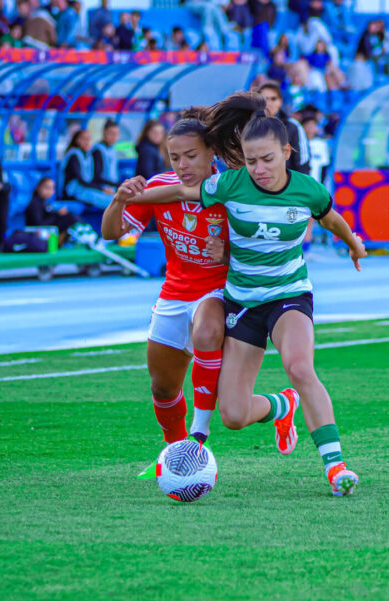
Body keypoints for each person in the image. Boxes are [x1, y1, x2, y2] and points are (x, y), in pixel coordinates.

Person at [121, 93, 368, 497]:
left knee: (300, 366)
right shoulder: (231, 183)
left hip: (288, 296)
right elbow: (180, 194)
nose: (259, 169)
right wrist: (129, 197)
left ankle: (336, 465)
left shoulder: (308, 190)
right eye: (251, 161)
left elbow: (332, 219)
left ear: (286, 152)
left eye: (267, 160)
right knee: (233, 415)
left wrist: (354, 245)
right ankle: (281, 406)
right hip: (243, 303)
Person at [100, 108, 234, 458]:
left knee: (206, 331)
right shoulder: (160, 187)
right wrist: (119, 199)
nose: (182, 164)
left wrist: (226, 254)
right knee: (162, 388)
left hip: (218, 291)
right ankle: (176, 455)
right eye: (175, 157)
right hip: (174, 293)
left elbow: (259, 255)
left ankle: (198, 438)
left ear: (212, 153)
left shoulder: (231, 191)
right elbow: (111, 233)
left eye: (191, 155)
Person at [256, 81, 310, 176]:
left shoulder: (293, 126)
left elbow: (302, 163)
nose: (269, 103)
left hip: (286, 186)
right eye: (265, 99)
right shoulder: (247, 126)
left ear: (280, 101)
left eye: (273, 99)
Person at [61, 128, 114, 209]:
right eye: (84, 139)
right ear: (77, 140)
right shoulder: (73, 156)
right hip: (73, 191)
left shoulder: (87, 156)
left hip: (85, 189)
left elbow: (93, 178)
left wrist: (103, 188)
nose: (87, 142)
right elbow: (80, 180)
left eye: (89, 139)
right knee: (108, 201)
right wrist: (101, 189)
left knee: (111, 197)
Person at [26, 177, 78, 245]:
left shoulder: (45, 203)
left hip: (48, 228)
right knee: (68, 218)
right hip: (37, 232)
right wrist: (57, 215)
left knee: (69, 216)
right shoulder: (35, 203)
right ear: (39, 187)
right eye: (47, 188)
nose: (50, 191)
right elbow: (38, 224)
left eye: (52, 188)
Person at [91, 119, 120, 190]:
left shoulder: (112, 149)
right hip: (102, 188)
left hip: (112, 187)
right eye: (111, 133)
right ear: (104, 132)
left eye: (116, 134)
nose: (114, 137)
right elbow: (97, 176)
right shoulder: (98, 150)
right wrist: (117, 184)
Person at [303, 115, 330, 183]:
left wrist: (321, 184)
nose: (310, 129)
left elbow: (324, 165)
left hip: (316, 182)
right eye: (308, 126)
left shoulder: (321, 144)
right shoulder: (298, 143)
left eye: (312, 126)